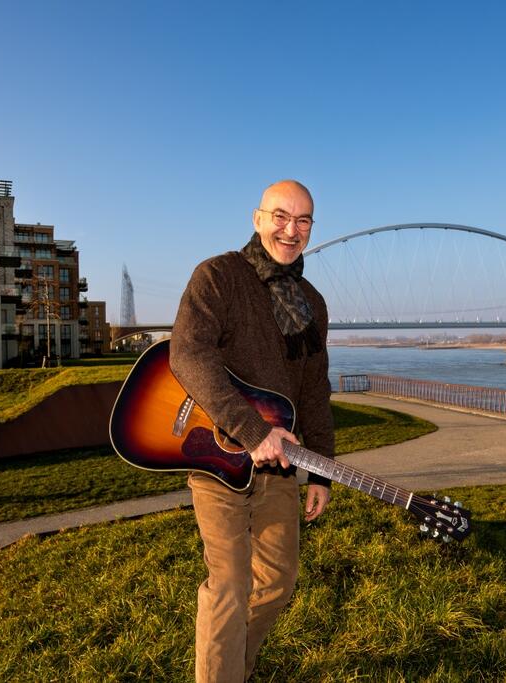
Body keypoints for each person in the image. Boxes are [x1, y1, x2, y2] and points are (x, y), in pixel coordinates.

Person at [169, 179, 335, 682]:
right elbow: (187, 354)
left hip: (280, 465)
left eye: (303, 221)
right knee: (229, 585)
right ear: (257, 218)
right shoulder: (219, 276)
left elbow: (314, 391)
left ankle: (230, 669)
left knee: (279, 582)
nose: (291, 230)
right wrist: (250, 429)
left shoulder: (312, 303)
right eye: (280, 216)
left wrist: (322, 472)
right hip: (216, 456)